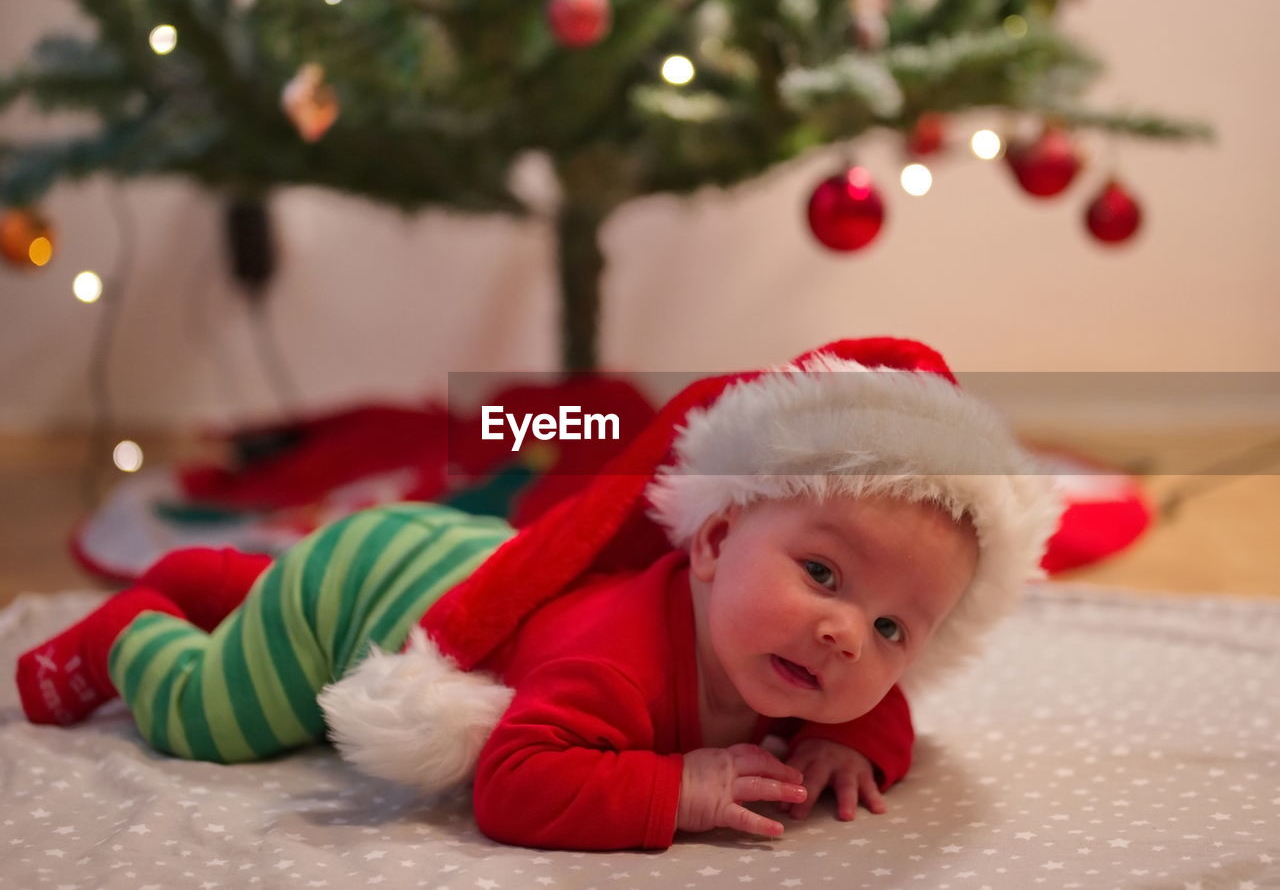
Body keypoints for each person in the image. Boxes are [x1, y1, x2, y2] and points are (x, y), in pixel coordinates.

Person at [15, 337, 1062, 851]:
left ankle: (210, 575)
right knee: (221, 718)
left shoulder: (814, 661)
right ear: (714, 538)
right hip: (360, 588)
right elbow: (512, 783)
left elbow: (879, 704)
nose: (844, 635)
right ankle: (135, 630)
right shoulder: (614, 660)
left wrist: (851, 743)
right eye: (821, 574)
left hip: (455, 551)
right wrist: (677, 789)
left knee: (258, 593)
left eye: (890, 627)